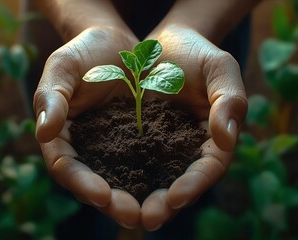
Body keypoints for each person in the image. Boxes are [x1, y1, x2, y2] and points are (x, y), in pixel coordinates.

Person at [30, 0, 261, 236]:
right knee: (75, 199)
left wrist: (191, 24)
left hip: (209, 9)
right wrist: (91, 22)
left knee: (186, 202)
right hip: (69, 15)